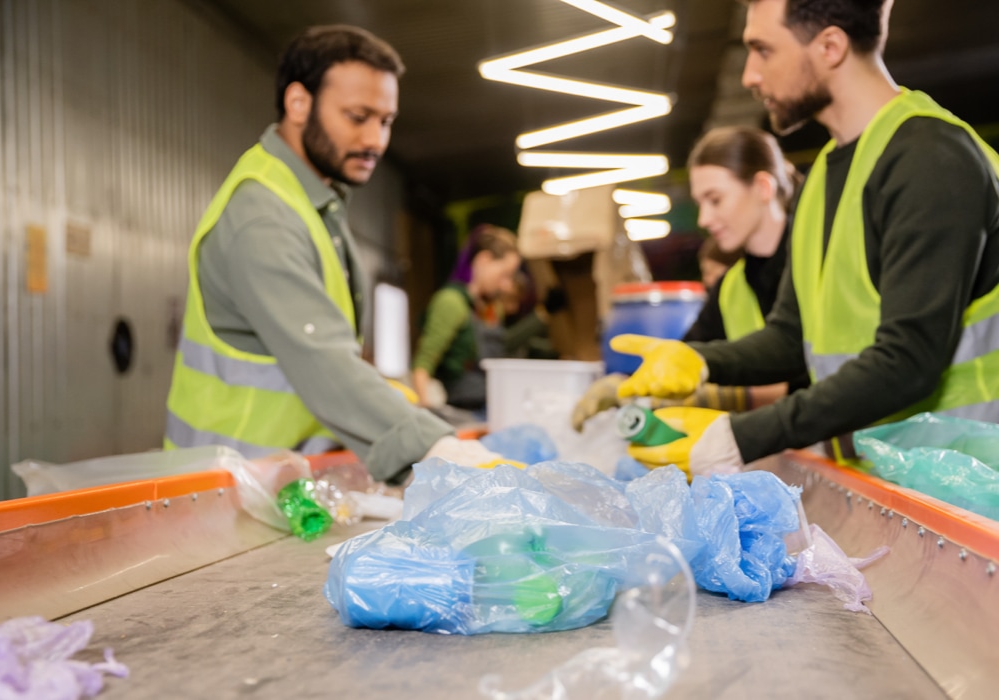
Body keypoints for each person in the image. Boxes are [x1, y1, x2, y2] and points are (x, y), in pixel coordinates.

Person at [611, 0, 999, 478]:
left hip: (970, 486)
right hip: (886, 480)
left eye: (763, 50)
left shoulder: (930, 158)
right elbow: (791, 337)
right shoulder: (821, 180)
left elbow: (908, 360)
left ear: (830, 47)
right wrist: (700, 361)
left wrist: (742, 437)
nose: (751, 75)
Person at [164, 25, 500, 483]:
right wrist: (436, 448)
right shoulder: (265, 216)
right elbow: (323, 359)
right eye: (358, 116)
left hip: (279, 480)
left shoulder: (316, 201)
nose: (376, 140)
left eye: (385, 121)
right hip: (226, 488)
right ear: (298, 103)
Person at [571, 125, 805, 430]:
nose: (703, 219)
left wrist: (725, 397)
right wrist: (628, 384)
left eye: (716, 199)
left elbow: (823, 374)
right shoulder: (730, 289)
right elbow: (683, 357)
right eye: (699, 204)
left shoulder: (818, 265)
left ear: (763, 187)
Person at [411, 224, 522, 410]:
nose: (506, 285)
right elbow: (423, 363)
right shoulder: (451, 302)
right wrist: (426, 408)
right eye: (504, 274)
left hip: (492, 403)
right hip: (462, 409)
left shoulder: (492, 307)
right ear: (484, 259)